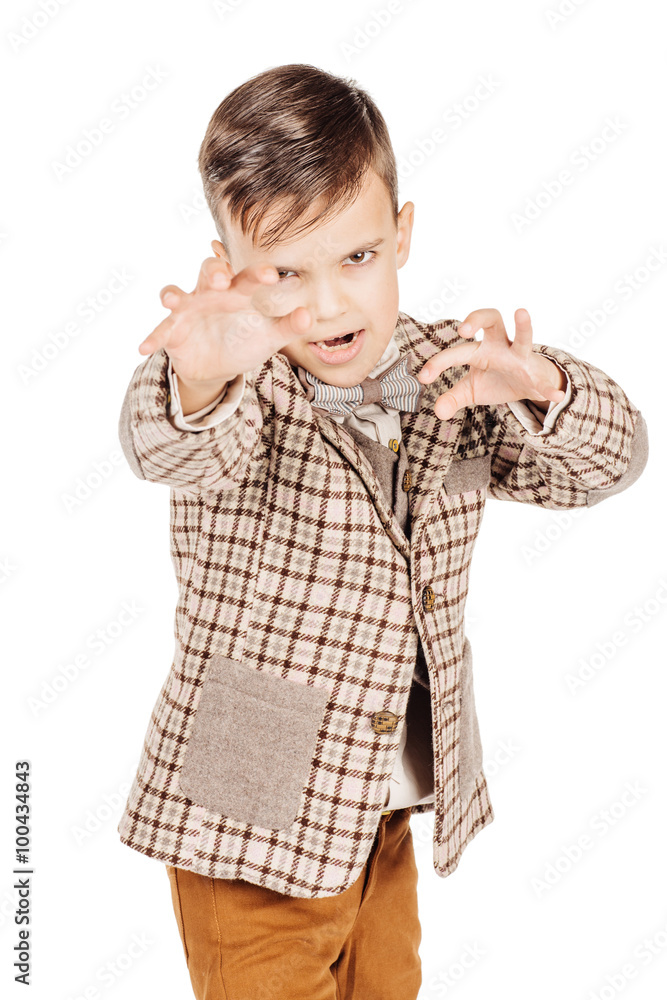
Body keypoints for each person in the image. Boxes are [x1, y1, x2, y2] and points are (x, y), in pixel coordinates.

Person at [116, 63, 649, 1000]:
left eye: (356, 259)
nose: (325, 306)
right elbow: (170, 451)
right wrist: (199, 380)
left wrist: (536, 387)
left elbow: (608, 465)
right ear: (230, 266)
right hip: (250, 814)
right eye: (283, 273)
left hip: (386, 805)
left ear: (401, 236)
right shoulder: (236, 384)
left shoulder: (452, 372)